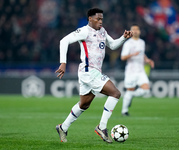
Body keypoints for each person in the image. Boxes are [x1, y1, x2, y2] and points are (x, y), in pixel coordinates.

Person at [55, 8, 132, 143]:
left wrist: (123, 38)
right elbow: (63, 41)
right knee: (115, 93)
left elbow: (113, 45)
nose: (101, 21)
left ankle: (63, 127)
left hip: (93, 72)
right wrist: (63, 63)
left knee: (84, 104)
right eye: (98, 19)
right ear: (90, 19)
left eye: (102, 19)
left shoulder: (102, 32)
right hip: (88, 71)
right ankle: (102, 127)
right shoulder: (84, 31)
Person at [121, 24, 154, 116]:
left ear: (139, 31)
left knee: (146, 90)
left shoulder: (142, 42)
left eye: (137, 29)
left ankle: (131, 95)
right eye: (133, 29)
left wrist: (147, 60)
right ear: (131, 32)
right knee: (129, 90)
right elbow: (123, 57)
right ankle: (124, 111)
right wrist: (132, 54)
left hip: (140, 70)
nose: (135, 31)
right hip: (131, 71)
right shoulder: (128, 43)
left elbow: (142, 54)